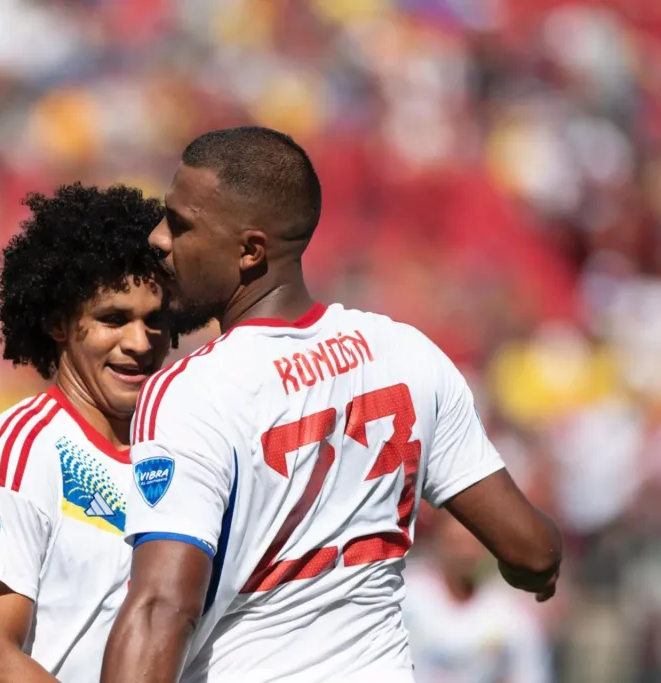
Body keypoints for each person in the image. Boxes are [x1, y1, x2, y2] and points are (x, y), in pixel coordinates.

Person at [101, 126, 562, 683]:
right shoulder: (405, 353)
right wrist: (536, 577)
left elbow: (160, 609)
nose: (158, 238)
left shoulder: (193, 390)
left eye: (180, 225)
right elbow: (532, 551)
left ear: (250, 250)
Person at [0, 183, 198, 683]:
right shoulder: (18, 452)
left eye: (155, 320)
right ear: (60, 323)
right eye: (113, 319)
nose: (139, 342)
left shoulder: (188, 450)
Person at [402, 511, 552, 683]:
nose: (465, 554)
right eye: (456, 544)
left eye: (473, 544)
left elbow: (530, 673)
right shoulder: (404, 596)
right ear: (438, 541)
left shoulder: (512, 612)